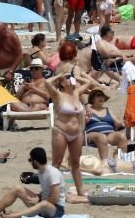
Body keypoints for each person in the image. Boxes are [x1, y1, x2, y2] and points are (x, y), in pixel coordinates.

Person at [46, 68, 94, 199]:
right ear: (61, 83)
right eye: (66, 78)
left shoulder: (76, 93)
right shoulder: (58, 95)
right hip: (61, 131)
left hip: (76, 133)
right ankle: (51, 191)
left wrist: (75, 77)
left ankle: (80, 191)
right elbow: (47, 83)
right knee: (57, 162)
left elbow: (88, 83)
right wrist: (60, 75)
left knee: (75, 163)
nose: (69, 79)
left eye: (70, 77)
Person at [0, 146, 65, 218]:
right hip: (41, 204)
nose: (30, 162)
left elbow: (55, 198)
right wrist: (38, 197)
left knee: (43, 204)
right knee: (17, 188)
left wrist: (39, 201)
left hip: (56, 210)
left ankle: (13, 216)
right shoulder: (41, 172)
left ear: (36, 161)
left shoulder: (52, 173)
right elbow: (46, 190)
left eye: (30, 160)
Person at [84, 87, 128, 165]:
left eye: (102, 95)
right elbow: (80, 126)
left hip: (109, 135)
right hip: (92, 135)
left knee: (121, 136)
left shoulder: (108, 110)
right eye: (98, 95)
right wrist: (85, 121)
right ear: (92, 98)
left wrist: (122, 123)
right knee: (101, 137)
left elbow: (117, 124)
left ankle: (121, 163)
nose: (101, 97)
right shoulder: (87, 110)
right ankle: (104, 164)